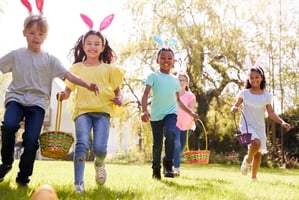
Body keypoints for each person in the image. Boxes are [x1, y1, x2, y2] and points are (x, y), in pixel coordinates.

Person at [0, 14, 99, 186]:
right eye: (31, 33)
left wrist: (87, 84)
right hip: (16, 98)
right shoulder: (16, 55)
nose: (35, 37)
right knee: (8, 125)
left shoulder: (50, 60)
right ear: (24, 33)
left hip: (37, 104)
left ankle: (23, 176)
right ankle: (7, 162)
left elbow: (68, 75)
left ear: (45, 36)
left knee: (31, 140)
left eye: (40, 34)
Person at [57, 29, 125, 193]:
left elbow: (118, 92)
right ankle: (78, 184)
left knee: (100, 148)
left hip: (102, 112)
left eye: (96, 44)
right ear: (83, 45)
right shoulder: (76, 68)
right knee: (82, 144)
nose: (92, 47)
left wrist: (120, 99)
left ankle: (99, 163)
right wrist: (63, 95)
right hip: (82, 112)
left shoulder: (109, 69)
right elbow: (68, 91)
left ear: (102, 48)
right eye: (89, 43)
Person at [141, 47, 199, 180]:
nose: (166, 60)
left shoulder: (175, 80)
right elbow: (145, 95)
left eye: (169, 58)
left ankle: (168, 163)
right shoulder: (153, 76)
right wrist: (144, 111)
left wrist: (191, 113)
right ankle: (156, 168)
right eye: (162, 58)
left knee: (172, 133)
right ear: (157, 60)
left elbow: (178, 101)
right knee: (157, 145)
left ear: (173, 61)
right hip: (156, 115)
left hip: (171, 113)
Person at [231, 57, 291, 181]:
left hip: (259, 126)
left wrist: (282, 122)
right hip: (246, 124)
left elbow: (271, 113)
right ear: (249, 79)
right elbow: (235, 106)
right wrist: (234, 109)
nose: (254, 79)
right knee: (256, 143)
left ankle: (253, 178)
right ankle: (247, 161)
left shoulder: (267, 96)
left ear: (262, 78)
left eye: (256, 77)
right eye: (251, 77)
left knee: (258, 153)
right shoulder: (244, 93)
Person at [173, 73, 197, 176]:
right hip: (175, 123)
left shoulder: (190, 96)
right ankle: (176, 168)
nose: (180, 82)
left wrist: (193, 117)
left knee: (181, 147)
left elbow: (191, 110)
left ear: (187, 83)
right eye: (178, 80)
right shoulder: (172, 94)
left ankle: (169, 161)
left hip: (187, 125)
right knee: (176, 143)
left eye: (183, 80)